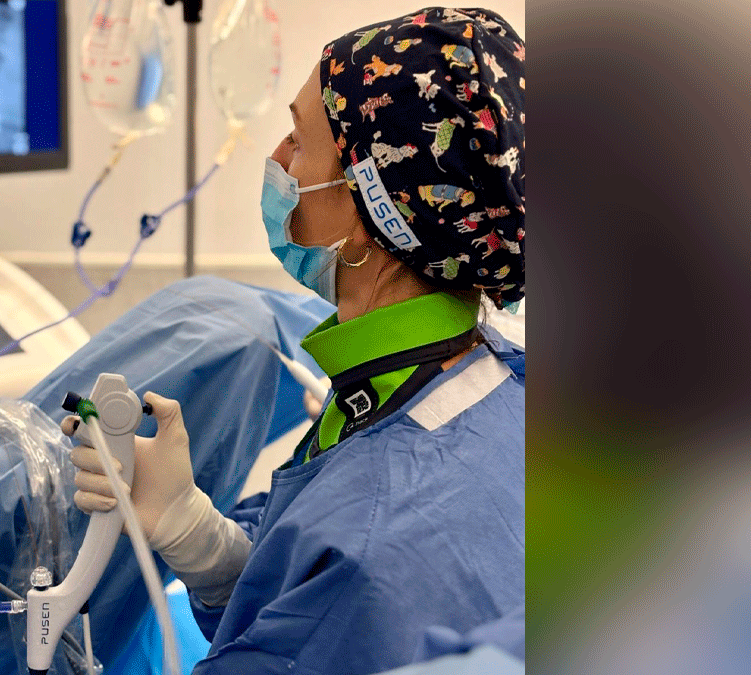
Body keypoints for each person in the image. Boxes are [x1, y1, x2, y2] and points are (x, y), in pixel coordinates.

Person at [65, 7, 525, 674]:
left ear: (373, 211)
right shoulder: (487, 378)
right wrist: (198, 534)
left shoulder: (366, 531)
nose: (277, 161)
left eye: (299, 143)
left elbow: (325, 612)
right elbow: (307, 598)